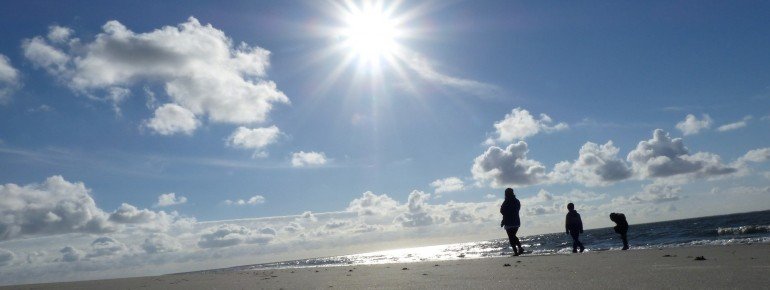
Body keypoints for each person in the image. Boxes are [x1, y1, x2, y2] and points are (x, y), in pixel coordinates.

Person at [500, 188, 524, 256]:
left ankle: (517, 251)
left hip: (508, 221)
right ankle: (519, 248)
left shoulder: (506, 201)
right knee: (513, 236)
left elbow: (502, 211)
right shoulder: (517, 201)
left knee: (511, 237)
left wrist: (504, 220)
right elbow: (518, 209)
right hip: (516, 221)